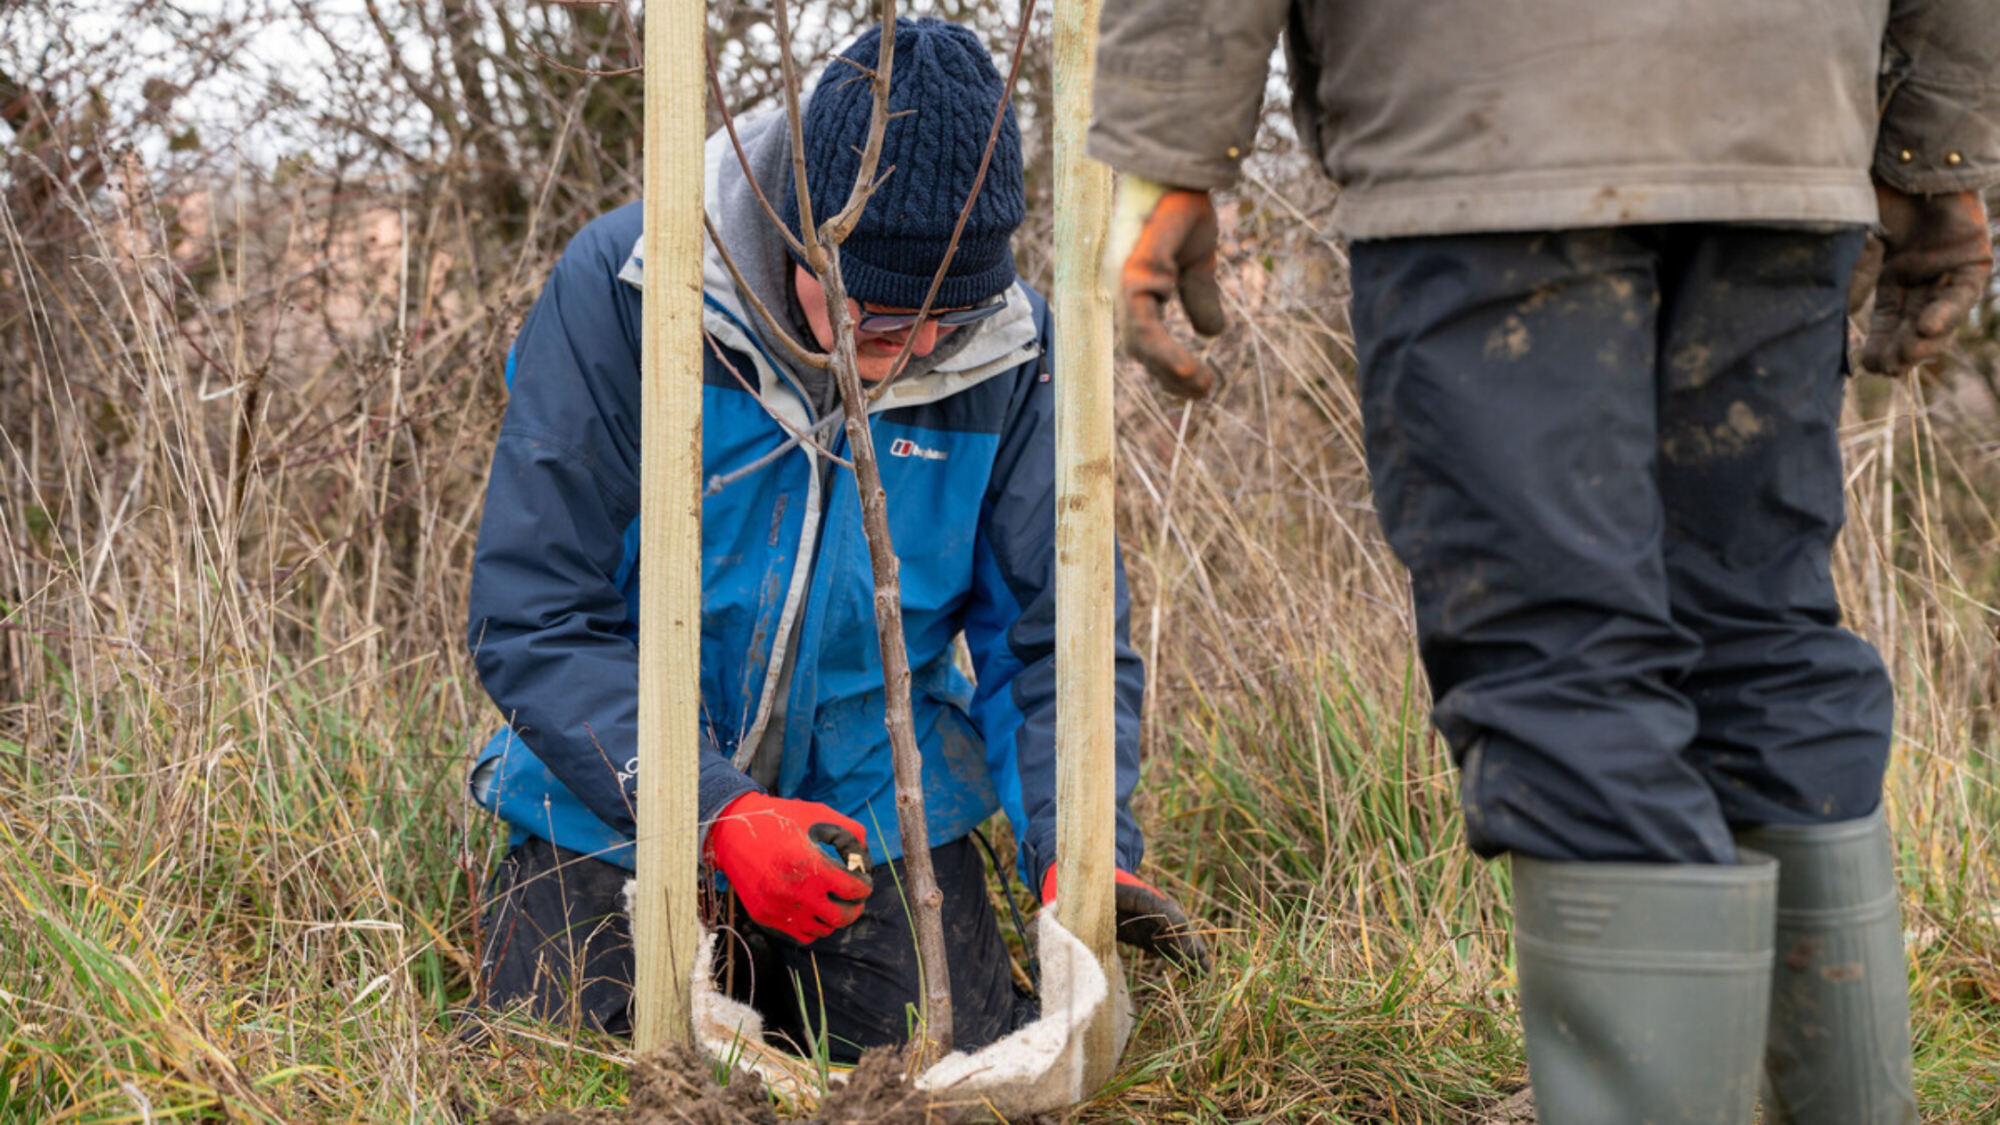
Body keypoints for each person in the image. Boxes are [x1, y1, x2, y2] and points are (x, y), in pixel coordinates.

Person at [1089, 3, 1996, 1123]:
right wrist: (1935, 149)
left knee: (1561, 658)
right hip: (1783, 110)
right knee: (1759, 635)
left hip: (1484, 123)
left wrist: (1168, 149)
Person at [463, 17, 1205, 1062]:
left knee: (946, 1068)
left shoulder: (1018, 353)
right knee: (548, 1070)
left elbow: (1053, 641)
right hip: (612, 790)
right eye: (871, 313)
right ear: (803, 230)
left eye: (943, 317)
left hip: (869, 797)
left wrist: (1075, 851)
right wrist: (712, 812)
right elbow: (533, 613)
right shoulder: (631, 288)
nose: (909, 351)